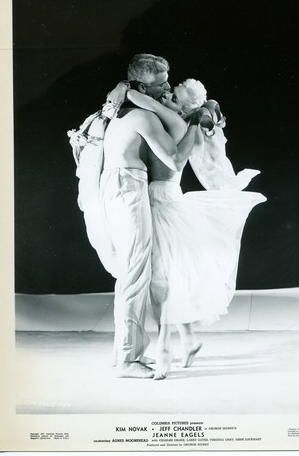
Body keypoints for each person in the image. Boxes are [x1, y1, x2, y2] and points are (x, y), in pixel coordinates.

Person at [68, 54, 208, 379]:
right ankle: (128, 360)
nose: (167, 88)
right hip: (127, 188)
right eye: (161, 84)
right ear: (143, 87)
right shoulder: (143, 117)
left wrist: (127, 89)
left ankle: (125, 354)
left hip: (115, 187)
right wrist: (195, 122)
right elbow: (175, 160)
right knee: (135, 274)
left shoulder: (117, 111)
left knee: (133, 273)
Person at [124, 80, 267, 379]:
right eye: (169, 93)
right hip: (159, 202)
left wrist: (127, 90)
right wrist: (206, 108)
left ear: (183, 109)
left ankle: (165, 346)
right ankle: (188, 340)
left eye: (173, 98)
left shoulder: (178, 125)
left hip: (164, 203)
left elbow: (147, 104)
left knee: (164, 280)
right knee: (167, 276)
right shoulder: (177, 122)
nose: (166, 97)